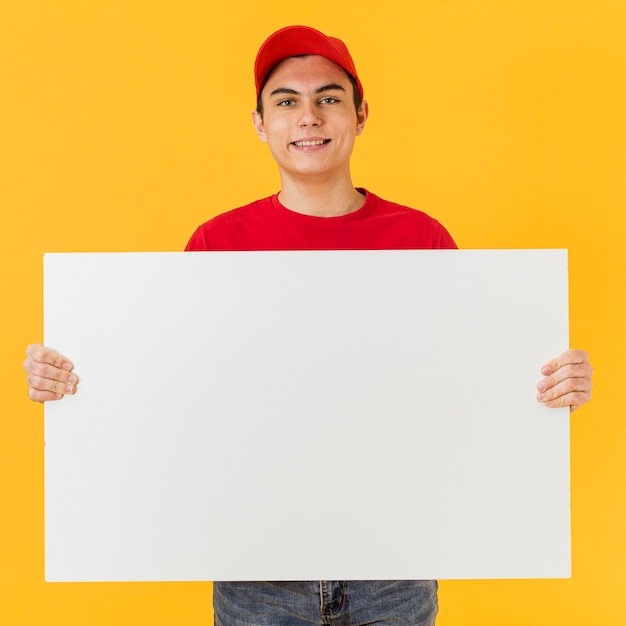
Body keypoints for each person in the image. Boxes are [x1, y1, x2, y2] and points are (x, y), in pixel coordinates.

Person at [23, 25, 593, 626]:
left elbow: (463, 387)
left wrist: (552, 384)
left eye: (328, 98)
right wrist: (71, 379)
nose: (309, 117)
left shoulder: (421, 240)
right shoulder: (218, 245)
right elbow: (178, 390)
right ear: (260, 122)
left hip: (394, 570)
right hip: (257, 574)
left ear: (360, 113)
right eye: (286, 101)